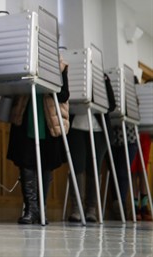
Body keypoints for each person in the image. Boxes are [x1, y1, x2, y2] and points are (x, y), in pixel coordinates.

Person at [5, 55, 70, 224]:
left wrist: (45, 84)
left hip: (48, 123)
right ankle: (30, 209)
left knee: (46, 165)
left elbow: (64, 95)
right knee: (26, 163)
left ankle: (41, 209)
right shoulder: (24, 56)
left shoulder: (60, 65)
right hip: (25, 118)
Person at [66, 72, 115, 223]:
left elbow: (111, 105)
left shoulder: (102, 77)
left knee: (94, 168)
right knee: (77, 167)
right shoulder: (74, 74)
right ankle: (76, 208)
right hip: (76, 127)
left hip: (98, 129)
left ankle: (91, 209)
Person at [132, 131, 151, 221]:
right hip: (131, 133)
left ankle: (144, 205)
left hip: (145, 131)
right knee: (133, 168)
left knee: (143, 167)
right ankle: (134, 205)